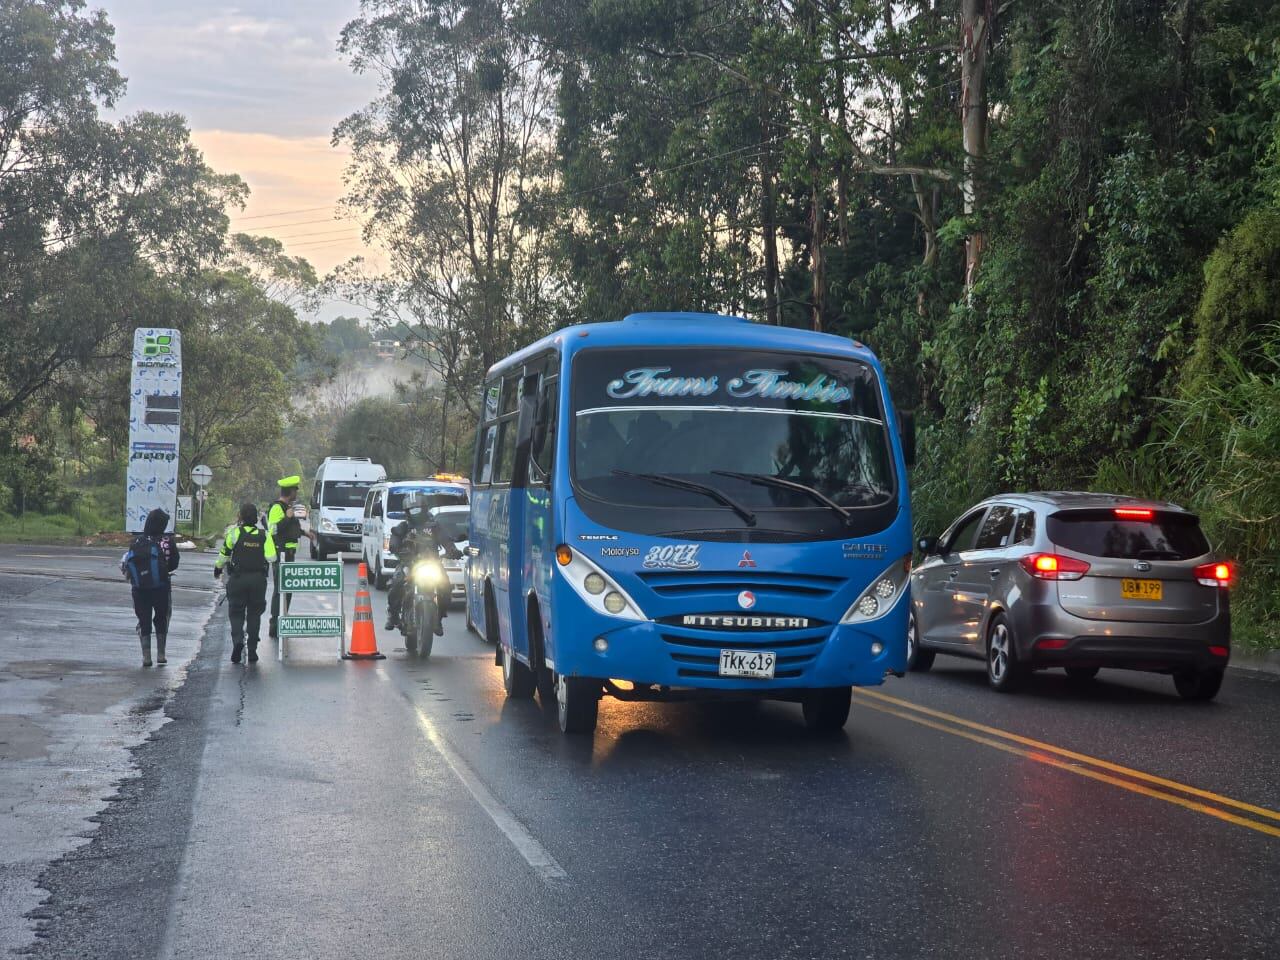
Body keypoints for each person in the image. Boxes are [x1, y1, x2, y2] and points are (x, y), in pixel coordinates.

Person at [384, 494, 462, 636]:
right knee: (396, 582)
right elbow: (394, 540)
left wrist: (453, 550)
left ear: (424, 508)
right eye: (412, 510)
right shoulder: (403, 527)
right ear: (407, 512)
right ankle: (393, 615)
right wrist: (395, 547)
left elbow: (446, 540)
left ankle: (439, 617)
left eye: (417, 509)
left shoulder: (434, 527)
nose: (415, 513)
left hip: (432, 563)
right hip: (409, 563)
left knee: (445, 586)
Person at [214, 503, 277, 664]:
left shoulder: (234, 533)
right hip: (258, 581)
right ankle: (253, 650)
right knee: (254, 614)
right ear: (256, 518)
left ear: (240, 517)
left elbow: (224, 554)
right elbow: (272, 558)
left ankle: (238, 642)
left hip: (238, 579)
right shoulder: (264, 535)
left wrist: (218, 568)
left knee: (236, 613)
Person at [120, 507, 179, 667]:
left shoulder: (137, 541)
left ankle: (146, 657)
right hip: (161, 587)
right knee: (161, 618)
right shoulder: (168, 541)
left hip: (139, 588)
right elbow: (175, 563)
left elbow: (128, 563)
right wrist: (163, 569)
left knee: (144, 619)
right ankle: (161, 654)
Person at [266, 475, 316, 638]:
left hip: (289, 555)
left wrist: (305, 533)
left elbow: (292, 528)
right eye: (295, 490)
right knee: (280, 591)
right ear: (290, 491)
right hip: (281, 555)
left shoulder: (287, 507)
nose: (297, 493)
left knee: (287, 590)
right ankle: (275, 624)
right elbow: (274, 530)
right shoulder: (277, 508)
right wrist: (287, 518)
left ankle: (283, 621)